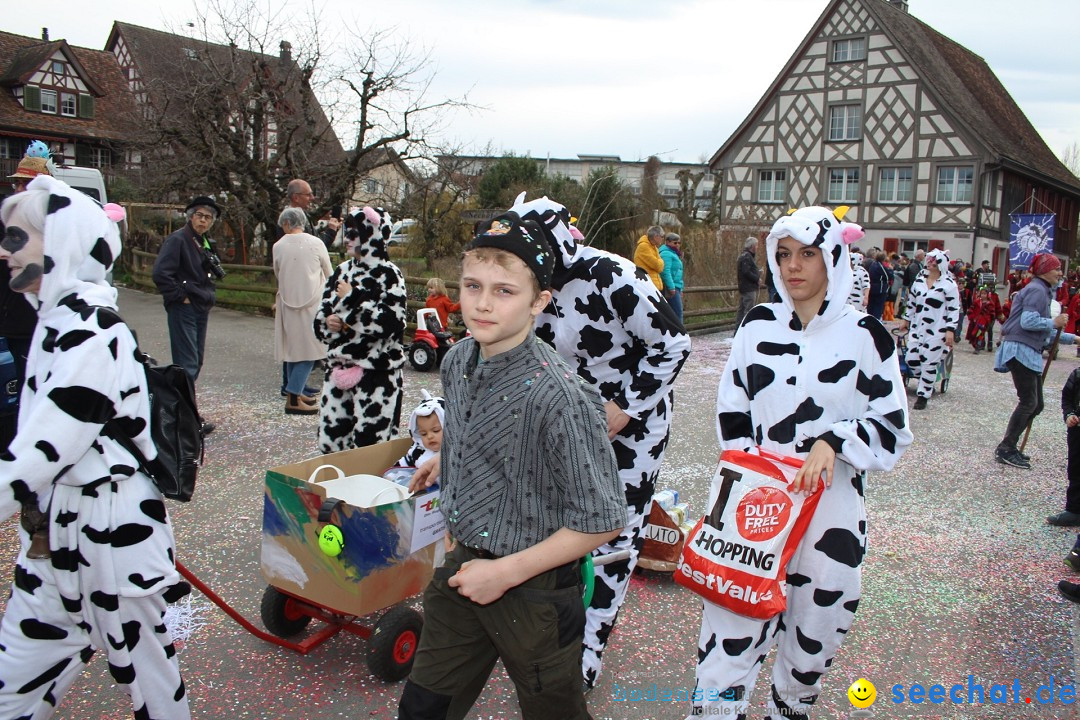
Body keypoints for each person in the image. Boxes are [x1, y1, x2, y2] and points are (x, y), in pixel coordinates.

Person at [397, 212, 625, 720]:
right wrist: (448, 462)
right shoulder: (457, 361)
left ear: (539, 301)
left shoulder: (561, 396)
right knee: (422, 707)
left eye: (504, 291)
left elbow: (604, 517)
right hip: (465, 569)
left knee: (553, 711)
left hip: (536, 592)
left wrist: (504, 573)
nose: (481, 303)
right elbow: (476, 427)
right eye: (473, 285)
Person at [690, 205, 911, 719]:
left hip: (830, 512)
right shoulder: (757, 326)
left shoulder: (867, 337)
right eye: (784, 254)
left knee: (812, 641)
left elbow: (894, 427)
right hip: (751, 508)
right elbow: (732, 408)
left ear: (833, 258)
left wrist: (835, 441)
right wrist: (752, 471)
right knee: (726, 641)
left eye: (808, 254)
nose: (793, 266)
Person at [0, 176, 190, 719]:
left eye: (18, 239)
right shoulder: (52, 323)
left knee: (153, 688)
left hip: (113, 538)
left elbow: (40, 454)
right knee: (14, 683)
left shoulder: (93, 331)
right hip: (54, 538)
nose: (4, 251)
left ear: (61, 243)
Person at [508, 194, 690, 689]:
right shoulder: (524, 283)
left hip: (631, 427)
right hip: (563, 424)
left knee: (616, 533)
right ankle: (551, 625)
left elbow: (673, 344)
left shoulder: (614, 276)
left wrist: (626, 407)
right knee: (555, 523)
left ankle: (590, 643)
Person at [313, 206, 407, 453]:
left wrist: (352, 301)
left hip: (377, 373)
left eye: (354, 233)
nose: (347, 239)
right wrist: (329, 322)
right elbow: (321, 317)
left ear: (372, 236)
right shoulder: (341, 271)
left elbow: (392, 325)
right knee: (331, 445)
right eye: (347, 232)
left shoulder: (389, 275)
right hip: (338, 369)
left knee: (370, 449)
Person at [994, 253, 1076, 469]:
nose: (1060, 273)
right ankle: (1006, 448)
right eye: (1056, 269)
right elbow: (1029, 321)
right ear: (1044, 271)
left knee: (1036, 404)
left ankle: (1009, 446)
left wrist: (1073, 338)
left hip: (1026, 350)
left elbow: (1045, 332)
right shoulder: (1037, 289)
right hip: (1020, 350)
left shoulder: (1042, 290)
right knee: (1029, 402)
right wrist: (1054, 321)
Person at [152, 196, 223, 435]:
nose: (204, 221)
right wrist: (179, 295)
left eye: (208, 217)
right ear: (190, 216)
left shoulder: (203, 241)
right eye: (200, 216)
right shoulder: (178, 240)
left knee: (195, 361)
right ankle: (186, 420)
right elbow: (161, 273)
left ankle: (181, 414)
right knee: (187, 364)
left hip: (200, 305)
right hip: (184, 306)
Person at [0, 153, 52, 451]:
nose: (21, 190)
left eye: (28, 184)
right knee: (19, 391)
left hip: (41, 319)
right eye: (19, 184)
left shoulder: (50, 223)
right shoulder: (6, 219)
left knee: (37, 390)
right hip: (14, 318)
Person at [273, 206, 333, 415]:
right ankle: (293, 395)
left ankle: (294, 393)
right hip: (313, 303)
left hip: (288, 303)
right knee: (310, 351)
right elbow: (329, 271)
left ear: (287, 224)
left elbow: (278, 273)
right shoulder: (315, 243)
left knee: (293, 350)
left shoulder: (278, 246)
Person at [1048, 366, 1080, 526]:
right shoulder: (1077, 374)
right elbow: (1067, 398)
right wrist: (1069, 414)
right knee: (1076, 469)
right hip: (1077, 431)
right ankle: (1074, 510)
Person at [394, 391, 445, 468]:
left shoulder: (455, 455)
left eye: (436, 430)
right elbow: (402, 466)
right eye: (423, 434)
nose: (429, 436)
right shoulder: (418, 451)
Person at [735, 236, 761, 332]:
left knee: (741, 310)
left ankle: (738, 331)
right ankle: (745, 331)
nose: (757, 247)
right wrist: (756, 278)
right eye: (756, 245)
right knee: (748, 311)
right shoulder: (747, 257)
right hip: (749, 288)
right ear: (752, 246)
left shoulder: (743, 256)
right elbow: (746, 272)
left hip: (744, 287)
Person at [659, 232, 685, 322]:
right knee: (677, 313)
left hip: (676, 286)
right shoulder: (666, 254)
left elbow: (678, 272)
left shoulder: (674, 253)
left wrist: (680, 288)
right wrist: (671, 287)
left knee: (676, 313)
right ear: (668, 242)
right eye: (675, 242)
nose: (677, 245)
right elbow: (665, 272)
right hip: (671, 287)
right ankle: (680, 334)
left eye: (679, 243)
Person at [634, 225, 665, 291]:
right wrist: (661, 262)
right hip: (647, 286)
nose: (662, 239)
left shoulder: (654, 248)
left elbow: (661, 267)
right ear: (656, 237)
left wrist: (660, 262)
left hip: (654, 286)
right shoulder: (644, 246)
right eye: (662, 236)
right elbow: (658, 266)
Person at [866, 250, 890, 320]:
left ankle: (870, 320)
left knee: (871, 307)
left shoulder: (873, 264)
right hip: (880, 289)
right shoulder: (879, 266)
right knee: (878, 307)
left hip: (872, 287)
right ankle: (875, 321)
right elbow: (887, 275)